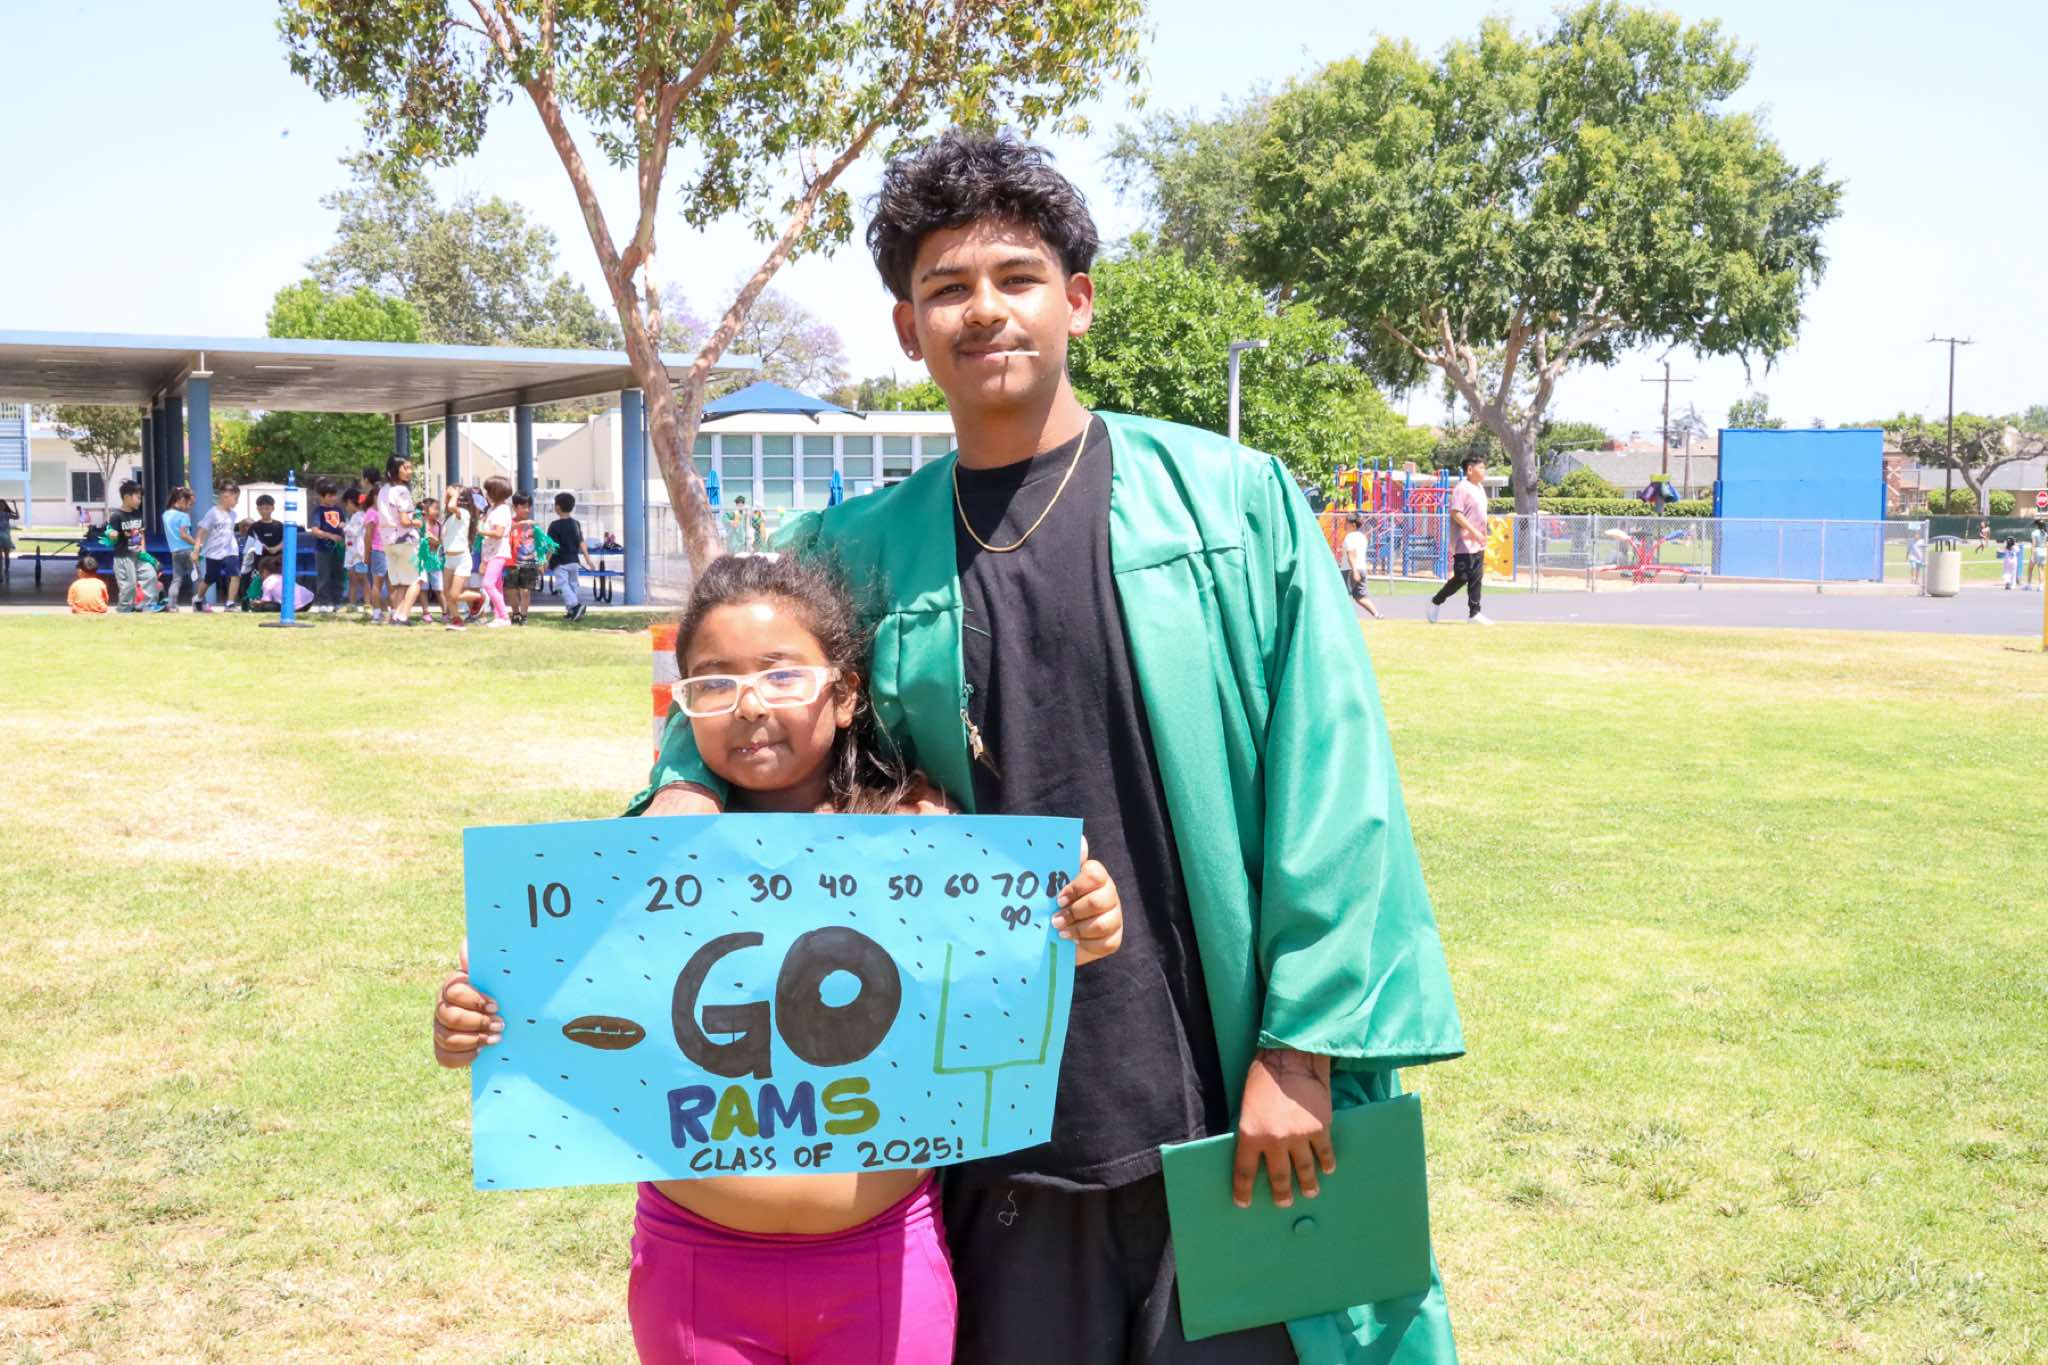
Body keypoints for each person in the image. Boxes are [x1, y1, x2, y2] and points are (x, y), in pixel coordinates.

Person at [632, 131, 1463, 1365]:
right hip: (982, 1133)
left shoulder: (1229, 505)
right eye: (945, 288)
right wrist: (681, 789)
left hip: (1216, 1099)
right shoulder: (855, 553)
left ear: (1075, 299)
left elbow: (1333, 788)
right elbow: (739, 702)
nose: (983, 310)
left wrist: (1298, 1055)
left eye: (1015, 277)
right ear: (907, 330)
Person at [433, 552, 1127, 1365]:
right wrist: (467, 1019)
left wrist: (1082, 926)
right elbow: (528, 997)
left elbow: (999, 969)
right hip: (696, 1267)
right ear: (684, 706)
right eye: (715, 682)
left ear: (847, 692)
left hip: (883, 1260)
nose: (750, 703)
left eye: (782, 674)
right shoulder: (638, 862)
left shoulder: (916, 832)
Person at [1427, 455, 1493, 625]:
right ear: (1470, 470)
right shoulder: (1461, 488)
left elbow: (1480, 513)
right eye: (1481, 467)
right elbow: (1456, 513)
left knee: (1476, 577)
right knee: (1462, 578)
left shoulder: (1479, 488)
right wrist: (1474, 532)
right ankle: (1436, 601)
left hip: (1478, 542)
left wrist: (1485, 531)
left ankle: (1474, 614)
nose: (1484, 471)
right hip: (1463, 542)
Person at [376, 455, 424, 626]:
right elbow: (404, 521)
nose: (410, 471)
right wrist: (417, 522)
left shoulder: (383, 490)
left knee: (400, 582)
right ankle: (403, 616)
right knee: (417, 579)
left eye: (410, 468)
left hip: (388, 541)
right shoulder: (402, 491)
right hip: (405, 541)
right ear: (395, 470)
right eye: (406, 468)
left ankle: (396, 615)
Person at [103, 480, 157, 612]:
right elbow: (111, 535)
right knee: (129, 585)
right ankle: (124, 609)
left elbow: (141, 533)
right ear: (127, 497)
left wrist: (144, 551)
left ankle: (149, 606)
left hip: (138, 554)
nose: (140, 501)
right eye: (138, 497)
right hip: (123, 557)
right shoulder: (117, 516)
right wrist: (112, 535)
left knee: (150, 575)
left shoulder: (137, 513)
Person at [546, 491, 597, 621]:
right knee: (573, 585)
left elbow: (551, 546)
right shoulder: (576, 523)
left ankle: (575, 606)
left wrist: (546, 561)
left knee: (562, 585)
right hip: (574, 561)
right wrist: (588, 560)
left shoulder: (554, 525)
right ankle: (572, 612)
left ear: (557, 507)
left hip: (560, 562)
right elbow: (581, 542)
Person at [476, 475, 515, 628]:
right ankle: (499, 616)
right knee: (496, 585)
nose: (486, 494)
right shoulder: (493, 509)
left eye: (488, 491)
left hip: (498, 552)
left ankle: (504, 617)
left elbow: (499, 533)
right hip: (491, 552)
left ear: (495, 493)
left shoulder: (502, 510)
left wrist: (481, 531)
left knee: (488, 584)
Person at [195, 483, 240, 614]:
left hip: (231, 550)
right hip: (214, 552)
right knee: (210, 578)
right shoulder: (213, 513)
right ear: (225, 496)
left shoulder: (233, 514)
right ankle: (198, 599)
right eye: (235, 498)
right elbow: (201, 532)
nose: (237, 502)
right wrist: (196, 550)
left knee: (235, 575)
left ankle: (230, 604)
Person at [439, 485, 480, 630]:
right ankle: (457, 620)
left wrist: (454, 494)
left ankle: (479, 598)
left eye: (453, 496)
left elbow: (451, 506)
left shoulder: (463, 512)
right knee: (447, 593)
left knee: (454, 594)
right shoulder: (449, 518)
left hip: (461, 559)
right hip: (449, 559)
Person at [305, 478, 349, 613]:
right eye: (330, 495)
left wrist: (344, 528)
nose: (333, 498)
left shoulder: (339, 510)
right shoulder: (318, 511)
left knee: (338, 575)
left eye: (334, 495)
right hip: (323, 549)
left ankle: (337, 602)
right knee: (324, 577)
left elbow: (343, 526)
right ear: (321, 496)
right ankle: (323, 602)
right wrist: (330, 536)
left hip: (339, 550)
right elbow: (315, 531)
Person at [160, 486, 199, 612]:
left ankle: (171, 605)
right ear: (181, 500)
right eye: (189, 504)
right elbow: (184, 535)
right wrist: (197, 544)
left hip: (175, 552)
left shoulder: (165, 515)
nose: (190, 508)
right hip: (188, 551)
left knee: (176, 579)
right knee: (196, 578)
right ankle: (198, 604)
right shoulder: (183, 516)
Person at [507, 491, 541, 624]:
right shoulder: (509, 523)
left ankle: (524, 616)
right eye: (523, 507)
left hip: (529, 562)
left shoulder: (533, 525)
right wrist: (520, 524)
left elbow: (541, 544)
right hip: (511, 562)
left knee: (525, 591)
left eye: (528, 506)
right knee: (511, 590)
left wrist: (542, 561)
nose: (527, 510)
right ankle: (515, 613)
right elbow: (504, 531)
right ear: (514, 508)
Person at [1340, 513, 1381, 620]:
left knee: (1340, 594)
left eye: (1346, 523)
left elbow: (1351, 555)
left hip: (1350, 570)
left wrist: (1354, 571)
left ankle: (1343, 619)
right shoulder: (1362, 537)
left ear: (1353, 525)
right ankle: (1378, 615)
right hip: (1362, 569)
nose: (1344, 525)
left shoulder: (1350, 537)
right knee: (1360, 596)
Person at [343, 490, 372, 614]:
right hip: (351, 553)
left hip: (359, 554)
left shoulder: (360, 516)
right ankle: (352, 603)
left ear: (350, 502)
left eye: (346, 504)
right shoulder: (355, 516)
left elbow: (353, 531)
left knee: (362, 577)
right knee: (352, 578)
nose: (346, 508)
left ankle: (367, 603)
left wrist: (344, 526)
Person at [0, 497, 16, 585]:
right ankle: (1, 574)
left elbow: (17, 517)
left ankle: (6, 569)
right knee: (0, 557)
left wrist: (15, 505)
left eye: (2, 505)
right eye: (0, 505)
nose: (1, 506)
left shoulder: (7, 514)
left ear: (5, 506)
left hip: (6, 537)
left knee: (6, 556)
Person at [2026, 520, 2045, 591]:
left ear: (2037, 525)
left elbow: (2033, 544)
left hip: (2037, 551)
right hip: (2043, 551)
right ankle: (2041, 586)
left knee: (2030, 569)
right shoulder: (2045, 533)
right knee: (2041, 570)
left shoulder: (2034, 533)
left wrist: (2032, 555)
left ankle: (2029, 585)